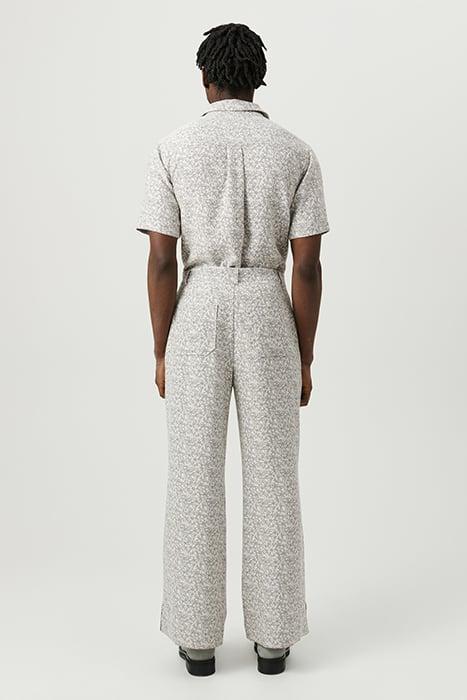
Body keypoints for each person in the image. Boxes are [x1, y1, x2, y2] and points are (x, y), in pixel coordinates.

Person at [136, 22, 330, 676]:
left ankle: (196, 643)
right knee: (274, 474)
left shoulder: (172, 149)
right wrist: (304, 356)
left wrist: (161, 348)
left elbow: (161, 259)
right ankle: (274, 641)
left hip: (197, 309)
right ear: (258, 78)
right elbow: (307, 267)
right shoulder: (296, 153)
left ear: (205, 78)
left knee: (192, 475)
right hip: (267, 308)